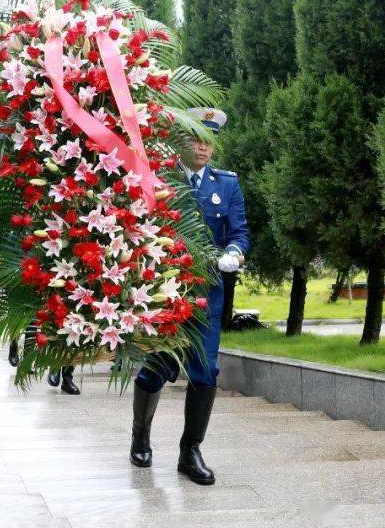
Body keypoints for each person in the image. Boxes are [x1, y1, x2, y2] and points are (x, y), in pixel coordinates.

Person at [129, 107, 249, 485]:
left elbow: (239, 233)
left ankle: (190, 450)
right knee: (158, 368)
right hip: (164, 292)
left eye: (209, 140)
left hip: (206, 295)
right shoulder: (159, 178)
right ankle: (140, 435)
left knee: (205, 370)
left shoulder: (226, 184)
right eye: (196, 138)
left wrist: (234, 253)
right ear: (180, 140)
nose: (203, 147)